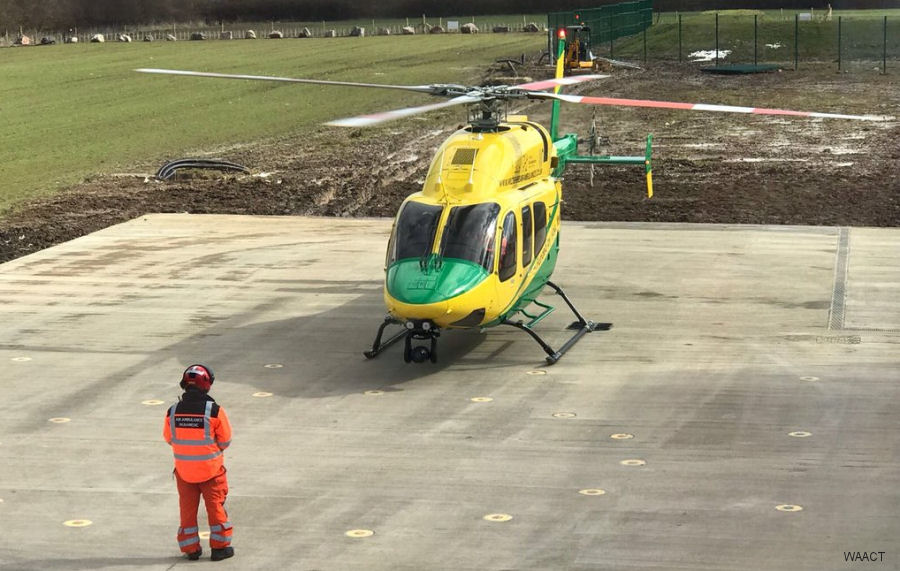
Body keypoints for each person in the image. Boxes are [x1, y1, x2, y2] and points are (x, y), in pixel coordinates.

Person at [163, 364, 234, 561]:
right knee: (215, 508)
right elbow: (225, 441)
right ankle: (219, 548)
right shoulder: (214, 411)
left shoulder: (173, 411)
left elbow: (169, 438)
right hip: (211, 472)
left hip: (184, 473)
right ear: (207, 384)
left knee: (187, 510)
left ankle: (190, 549)